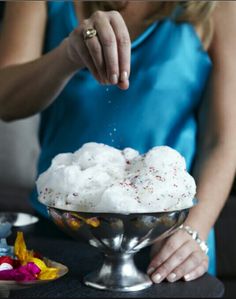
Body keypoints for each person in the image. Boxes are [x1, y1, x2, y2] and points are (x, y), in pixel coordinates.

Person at [0, 0, 236, 284]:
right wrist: (68, 54)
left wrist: (193, 231)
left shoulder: (220, 6)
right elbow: (6, 101)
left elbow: (222, 140)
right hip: (63, 233)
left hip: (169, 238)